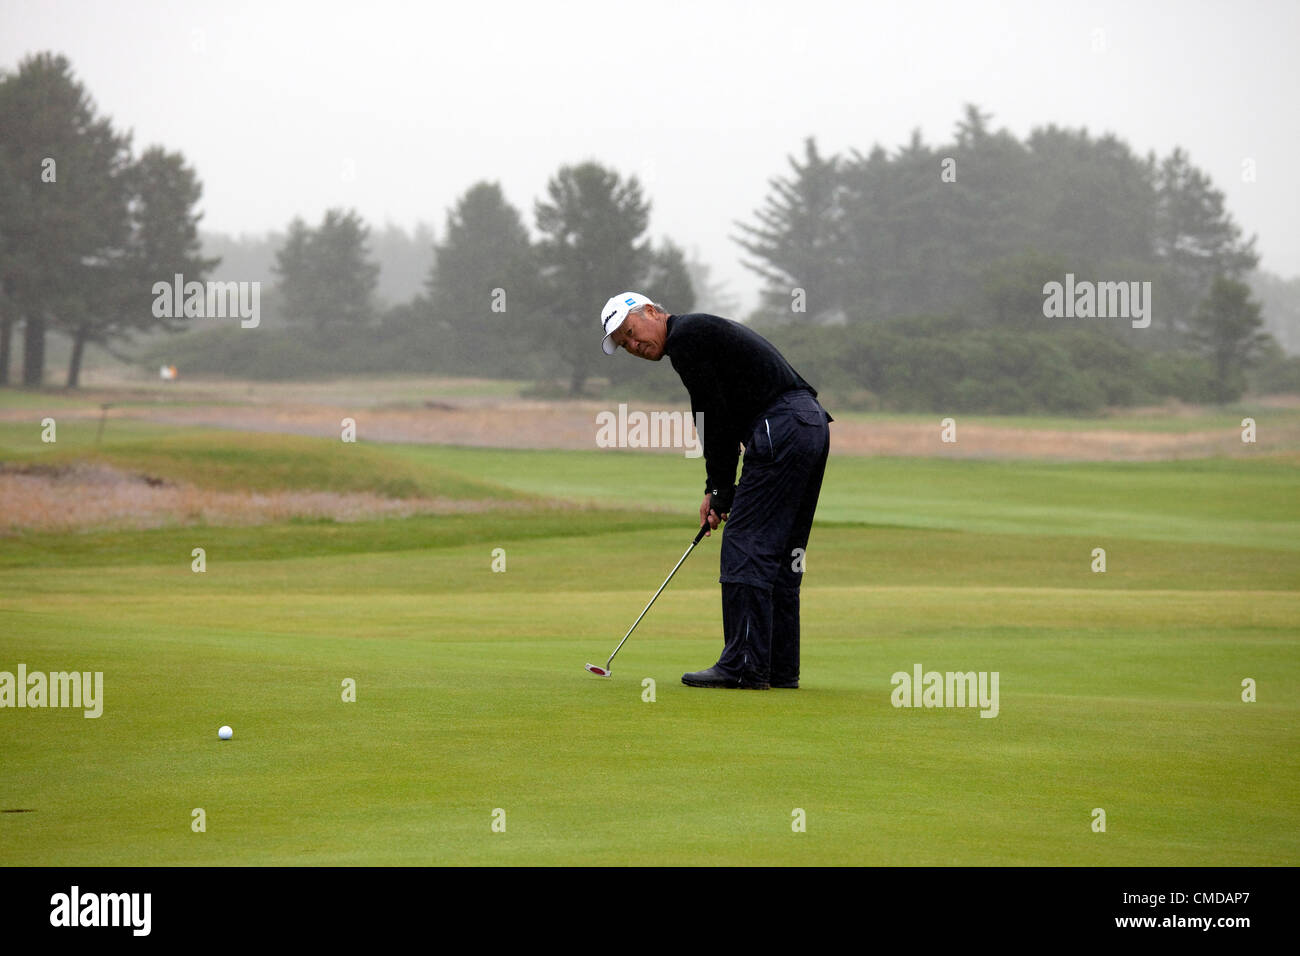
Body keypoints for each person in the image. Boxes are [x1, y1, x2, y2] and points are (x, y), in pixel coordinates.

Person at [599, 291, 832, 689]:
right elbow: (718, 413)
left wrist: (721, 490)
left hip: (781, 423)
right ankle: (777, 666)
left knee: (746, 543)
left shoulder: (686, 336)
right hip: (809, 424)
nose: (634, 346)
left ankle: (744, 665)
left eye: (632, 332)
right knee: (781, 553)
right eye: (624, 344)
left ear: (652, 311)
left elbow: (712, 415)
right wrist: (718, 487)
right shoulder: (697, 334)